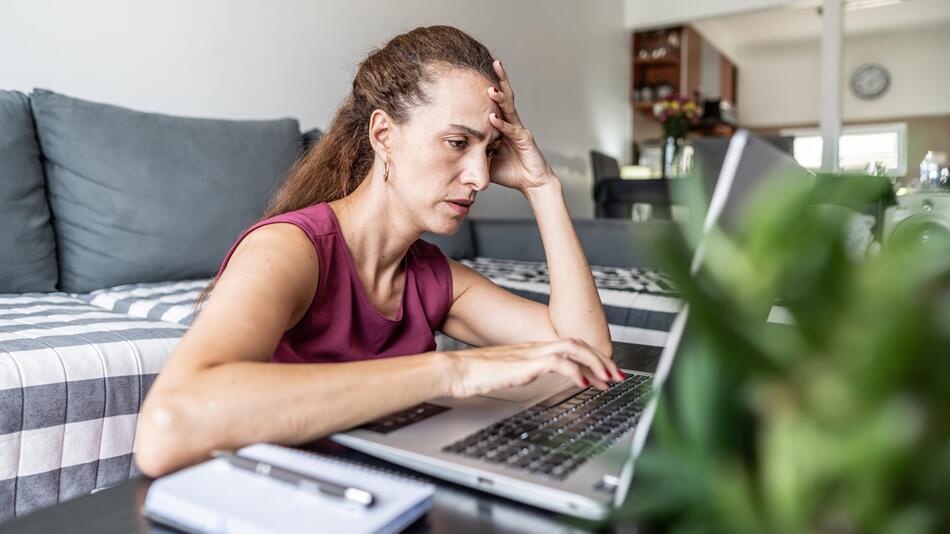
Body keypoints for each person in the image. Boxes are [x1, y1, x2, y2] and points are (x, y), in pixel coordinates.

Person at [135, 25, 619, 478]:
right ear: (384, 134)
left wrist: (543, 187)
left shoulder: (432, 276)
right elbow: (166, 429)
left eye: (490, 150)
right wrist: (452, 369)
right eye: (457, 142)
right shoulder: (289, 250)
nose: (480, 177)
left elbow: (587, 354)